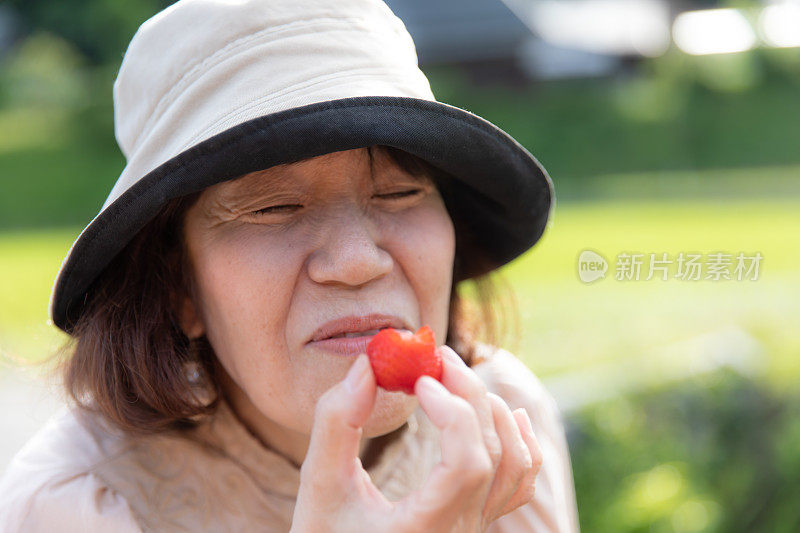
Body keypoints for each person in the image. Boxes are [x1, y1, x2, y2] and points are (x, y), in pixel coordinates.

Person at [0, 0, 579, 531]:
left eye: (400, 194)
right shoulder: (81, 505)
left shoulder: (505, 422)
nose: (357, 262)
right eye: (274, 207)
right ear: (177, 286)